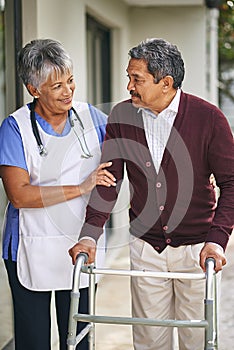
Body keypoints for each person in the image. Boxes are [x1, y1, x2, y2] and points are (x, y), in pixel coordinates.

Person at [69, 38, 234, 350]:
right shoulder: (122, 115)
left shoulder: (209, 119)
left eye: (137, 79)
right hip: (146, 248)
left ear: (166, 83)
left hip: (197, 252)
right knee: (148, 340)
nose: (129, 86)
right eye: (128, 77)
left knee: (197, 340)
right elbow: (109, 179)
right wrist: (90, 234)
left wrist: (217, 239)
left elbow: (231, 182)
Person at [0, 38, 116, 350]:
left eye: (71, 81)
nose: (68, 92)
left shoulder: (91, 118)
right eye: (57, 86)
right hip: (29, 244)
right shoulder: (15, 128)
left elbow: (133, 147)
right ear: (33, 89)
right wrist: (81, 186)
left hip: (79, 244)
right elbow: (20, 195)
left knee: (78, 339)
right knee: (34, 340)